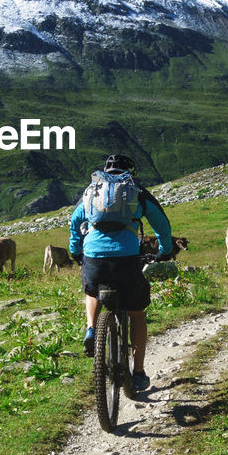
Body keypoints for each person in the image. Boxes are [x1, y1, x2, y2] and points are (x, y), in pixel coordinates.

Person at [69, 154, 173, 393]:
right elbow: (162, 225)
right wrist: (165, 252)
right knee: (136, 313)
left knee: (92, 290)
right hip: (126, 259)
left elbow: (75, 222)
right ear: (130, 172)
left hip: (94, 257)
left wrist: (76, 251)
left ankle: (91, 329)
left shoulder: (93, 190)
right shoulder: (136, 191)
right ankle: (138, 373)